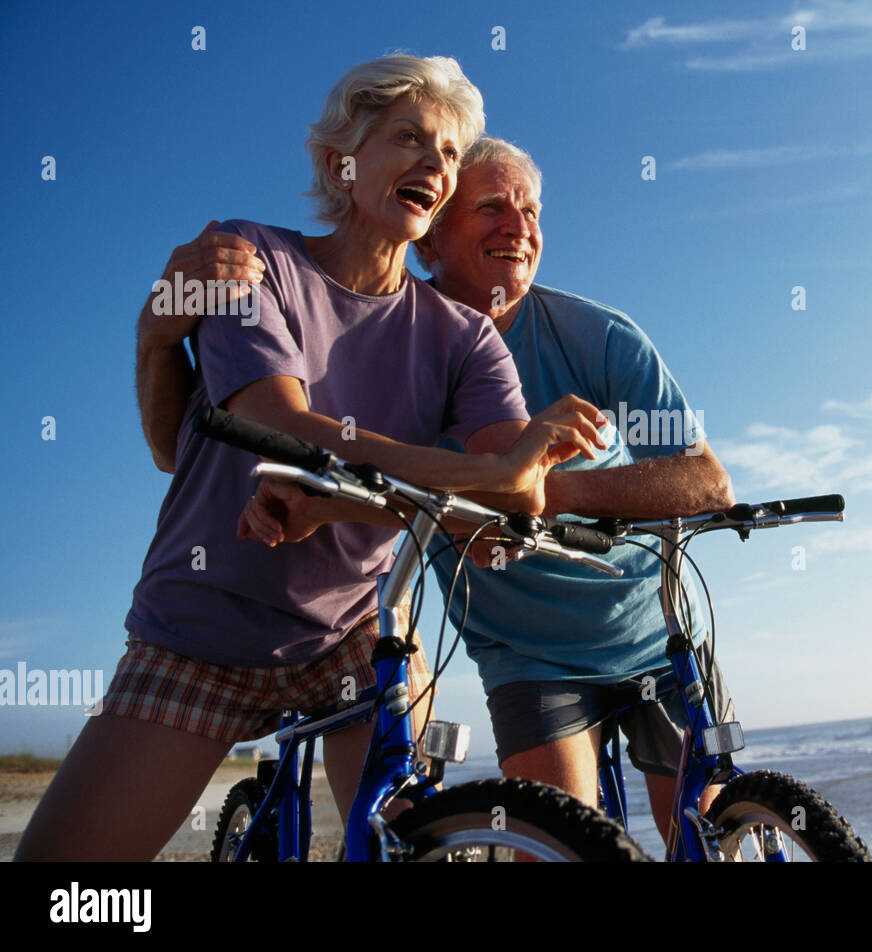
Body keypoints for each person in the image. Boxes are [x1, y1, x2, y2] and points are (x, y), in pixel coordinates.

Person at [16, 55, 604, 862]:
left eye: (448, 152)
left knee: (402, 844)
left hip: (352, 634)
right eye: (409, 138)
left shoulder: (463, 336)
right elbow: (279, 428)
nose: (435, 163)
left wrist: (502, 481)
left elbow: (514, 495)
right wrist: (484, 475)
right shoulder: (248, 259)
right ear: (341, 163)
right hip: (200, 630)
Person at [139, 135, 736, 846]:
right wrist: (319, 498)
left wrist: (540, 490)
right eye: (490, 207)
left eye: (532, 211)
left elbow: (707, 481)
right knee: (557, 844)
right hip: (527, 656)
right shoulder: (409, 343)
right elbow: (364, 464)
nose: (520, 227)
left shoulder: (599, 337)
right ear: (429, 240)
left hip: (653, 628)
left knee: (706, 838)